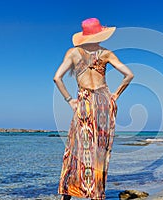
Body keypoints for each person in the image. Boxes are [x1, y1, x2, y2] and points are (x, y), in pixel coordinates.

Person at [53, 18, 134, 200]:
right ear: (100, 34)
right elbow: (129, 75)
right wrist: (115, 96)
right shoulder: (106, 53)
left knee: (75, 148)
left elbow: (57, 78)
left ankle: (67, 194)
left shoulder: (73, 53)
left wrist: (70, 100)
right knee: (100, 150)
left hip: (84, 102)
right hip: (104, 102)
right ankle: (95, 194)